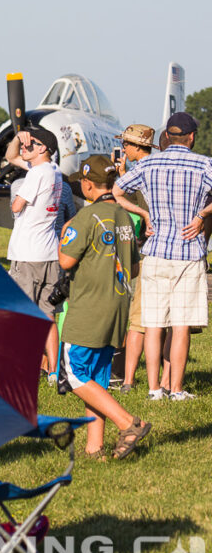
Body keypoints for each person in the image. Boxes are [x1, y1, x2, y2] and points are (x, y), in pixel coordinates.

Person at [113, 112, 212, 401]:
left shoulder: (150, 163)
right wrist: (202, 215)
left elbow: (118, 191)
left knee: (153, 324)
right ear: (192, 137)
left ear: (167, 136)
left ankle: (154, 388)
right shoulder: (204, 163)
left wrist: (143, 213)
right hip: (188, 250)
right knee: (180, 325)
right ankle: (176, 388)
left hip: (155, 251)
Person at [58, 155, 151, 460]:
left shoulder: (87, 218)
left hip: (90, 306)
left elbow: (65, 260)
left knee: (74, 375)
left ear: (87, 185)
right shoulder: (124, 215)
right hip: (118, 307)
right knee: (96, 376)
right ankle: (93, 446)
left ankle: (128, 423)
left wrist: (64, 234)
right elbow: (134, 268)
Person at [3, 127, 63, 381]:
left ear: (43, 149)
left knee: (23, 314)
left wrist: (16, 201)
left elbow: (17, 205)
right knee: (48, 314)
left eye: (32, 143)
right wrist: (19, 138)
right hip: (50, 251)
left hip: (27, 253)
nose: (26, 147)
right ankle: (53, 370)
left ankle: (24, 366)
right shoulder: (54, 171)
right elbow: (10, 157)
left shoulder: (36, 174)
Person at [112, 124, 156, 393]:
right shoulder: (149, 167)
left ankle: (127, 379)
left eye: (127, 144)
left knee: (139, 318)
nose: (124, 149)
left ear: (138, 147)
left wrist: (143, 214)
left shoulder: (144, 168)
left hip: (152, 245)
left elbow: (121, 194)